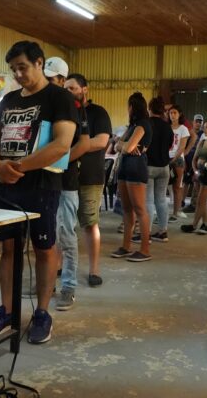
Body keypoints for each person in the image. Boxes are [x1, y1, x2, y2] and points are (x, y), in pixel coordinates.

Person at [0, 41, 77, 344]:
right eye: (13, 69)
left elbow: (62, 144)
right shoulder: (9, 99)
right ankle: (7, 310)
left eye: (22, 67)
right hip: (7, 185)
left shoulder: (59, 97)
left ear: (39, 63)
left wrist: (18, 166)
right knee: (8, 248)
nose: (18, 74)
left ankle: (42, 313)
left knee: (44, 248)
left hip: (41, 185)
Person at [44, 58, 90, 311]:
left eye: (52, 79)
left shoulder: (74, 106)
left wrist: (59, 160)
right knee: (46, 236)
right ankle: (47, 283)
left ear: (61, 80)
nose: (47, 83)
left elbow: (84, 144)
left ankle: (69, 287)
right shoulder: (43, 104)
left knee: (66, 235)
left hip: (66, 181)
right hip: (44, 181)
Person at [65, 73, 111, 288]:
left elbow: (101, 141)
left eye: (72, 88)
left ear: (85, 89)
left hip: (90, 177)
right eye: (65, 88)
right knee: (63, 225)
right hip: (65, 177)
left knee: (90, 223)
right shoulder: (64, 113)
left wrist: (70, 150)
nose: (68, 92)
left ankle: (94, 269)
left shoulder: (98, 112)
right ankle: (59, 265)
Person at [110, 92, 153, 262]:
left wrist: (123, 145)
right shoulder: (133, 126)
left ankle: (145, 250)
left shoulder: (143, 125)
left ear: (132, 107)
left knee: (140, 209)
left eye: (128, 106)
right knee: (127, 210)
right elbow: (118, 146)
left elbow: (127, 147)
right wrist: (124, 145)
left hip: (136, 168)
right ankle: (126, 246)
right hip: (125, 166)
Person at [139, 97, 173, 243]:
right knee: (161, 199)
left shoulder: (147, 124)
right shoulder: (167, 126)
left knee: (148, 200)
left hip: (149, 166)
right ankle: (163, 232)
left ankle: (146, 234)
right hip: (164, 167)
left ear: (150, 109)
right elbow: (170, 145)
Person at [181, 119, 207, 235]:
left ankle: (194, 225)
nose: (204, 129)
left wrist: (201, 170)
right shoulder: (202, 141)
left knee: (201, 200)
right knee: (202, 200)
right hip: (199, 173)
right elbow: (194, 158)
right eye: (204, 127)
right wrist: (195, 170)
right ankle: (206, 225)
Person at [168, 105, 190, 221]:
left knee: (177, 186)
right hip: (165, 158)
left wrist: (174, 158)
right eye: (170, 113)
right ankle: (162, 212)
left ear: (179, 114)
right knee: (163, 186)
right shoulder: (166, 127)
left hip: (177, 159)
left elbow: (182, 146)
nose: (172, 115)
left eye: (174, 113)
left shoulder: (183, 129)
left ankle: (176, 212)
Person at [182, 114, 204, 214]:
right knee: (185, 182)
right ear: (193, 122)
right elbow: (183, 147)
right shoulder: (187, 132)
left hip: (198, 162)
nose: (198, 123)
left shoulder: (204, 134)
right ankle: (182, 201)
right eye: (196, 121)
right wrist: (183, 161)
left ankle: (195, 203)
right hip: (187, 160)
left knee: (196, 182)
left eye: (200, 122)